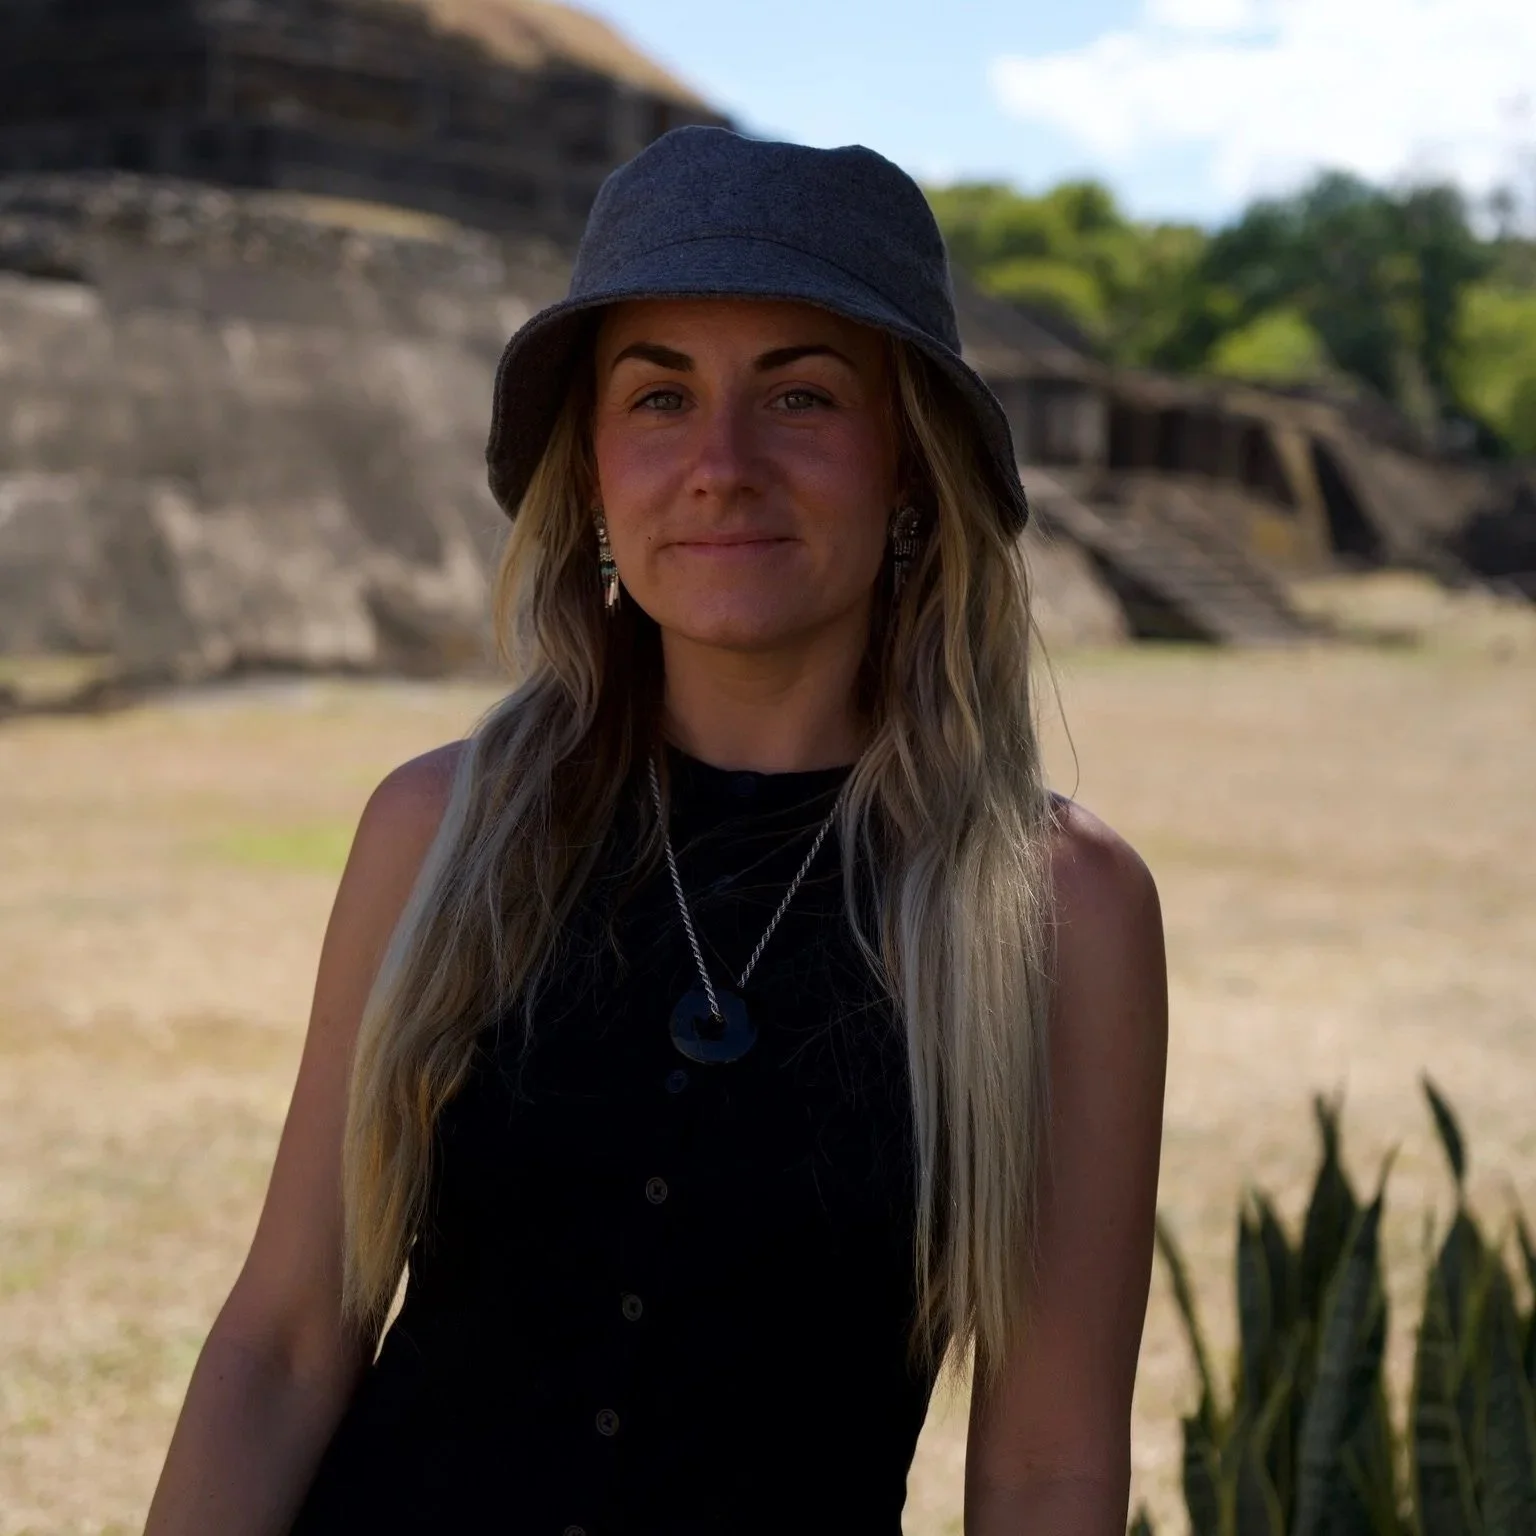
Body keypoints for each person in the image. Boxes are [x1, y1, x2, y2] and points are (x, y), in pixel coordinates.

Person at [144, 126, 1167, 1536]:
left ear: (912, 465)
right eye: (660, 397)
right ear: (595, 466)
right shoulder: (440, 832)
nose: (721, 464)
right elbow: (284, 1339)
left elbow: (1049, 1464)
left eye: (800, 397)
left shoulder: (1058, 909)